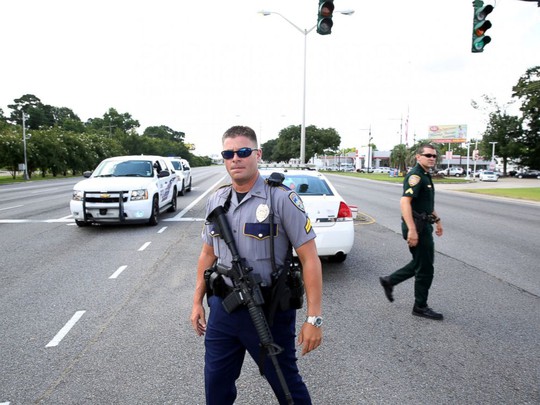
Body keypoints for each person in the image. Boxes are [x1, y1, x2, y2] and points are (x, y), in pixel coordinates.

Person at [190, 126, 323, 404]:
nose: (235, 158)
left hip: (269, 312)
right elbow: (207, 254)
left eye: (243, 151)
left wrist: (314, 319)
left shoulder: (281, 199)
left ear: (257, 154)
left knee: (287, 386)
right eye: (229, 153)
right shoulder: (217, 200)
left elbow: (310, 258)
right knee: (216, 386)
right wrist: (196, 302)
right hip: (224, 311)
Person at [379, 143, 444, 320]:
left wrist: (437, 220)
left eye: (434, 156)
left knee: (420, 263)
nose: (432, 158)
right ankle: (420, 306)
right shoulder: (415, 175)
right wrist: (412, 231)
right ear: (418, 157)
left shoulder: (425, 175)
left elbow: (426, 205)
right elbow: (404, 202)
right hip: (417, 227)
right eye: (428, 155)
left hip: (423, 225)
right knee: (425, 268)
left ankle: (389, 280)